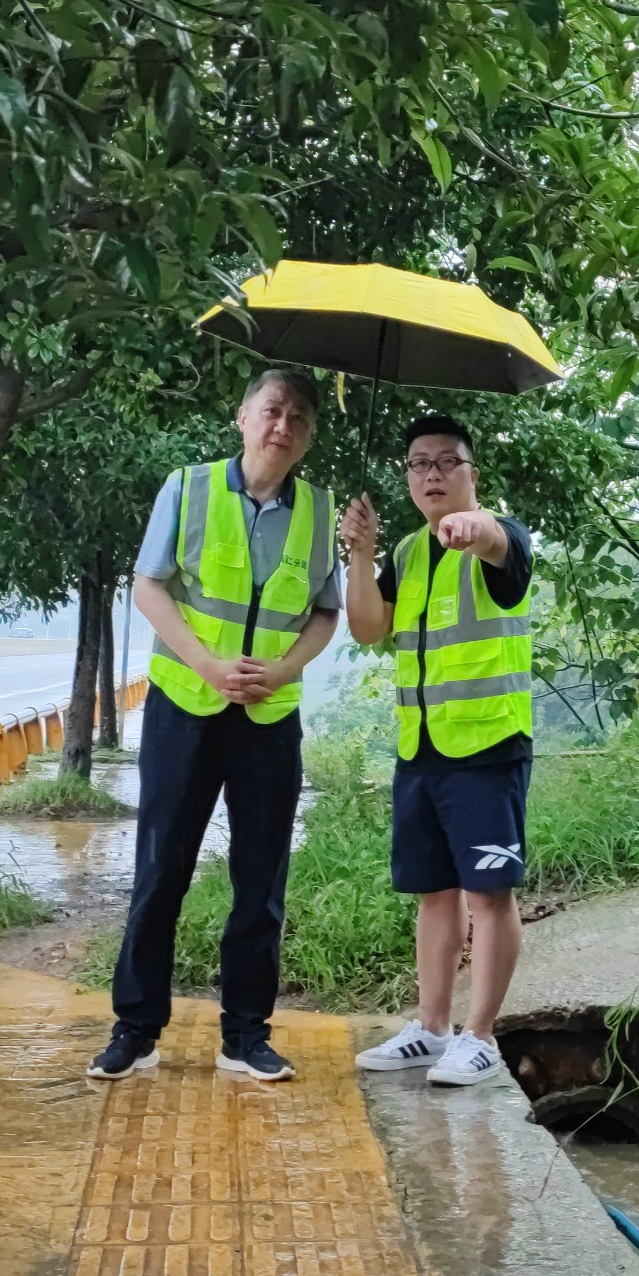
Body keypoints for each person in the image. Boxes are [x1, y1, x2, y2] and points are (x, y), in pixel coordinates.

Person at [87, 369, 339, 1083]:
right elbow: (149, 585)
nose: (282, 426)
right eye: (272, 410)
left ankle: (245, 1035)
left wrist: (282, 671)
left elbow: (326, 614)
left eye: (298, 417)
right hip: (185, 708)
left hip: (269, 718)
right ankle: (136, 1029)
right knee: (161, 868)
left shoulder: (320, 512)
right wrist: (206, 665)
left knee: (261, 879)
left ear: (309, 436)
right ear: (243, 416)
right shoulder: (188, 487)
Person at [341, 414, 534, 1088]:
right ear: (407, 477)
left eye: (448, 461)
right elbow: (368, 627)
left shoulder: (503, 535)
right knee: (433, 892)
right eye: (419, 463)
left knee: (490, 893)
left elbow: (496, 545)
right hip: (421, 747)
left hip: (487, 745)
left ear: (472, 474)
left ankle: (480, 1038)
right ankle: (431, 1027)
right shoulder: (406, 553)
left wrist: (474, 529)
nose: (432, 474)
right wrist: (360, 555)